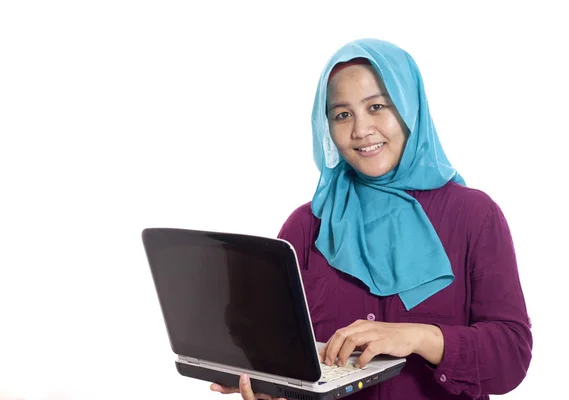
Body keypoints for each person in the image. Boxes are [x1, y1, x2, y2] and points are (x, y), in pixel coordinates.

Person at [210, 38, 533, 400]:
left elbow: (511, 356)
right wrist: (270, 385)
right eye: (342, 115)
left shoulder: (473, 216)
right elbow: (278, 351)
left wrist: (417, 336)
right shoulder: (306, 226)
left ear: (410, 109)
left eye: (377, 106)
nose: (361, 130)